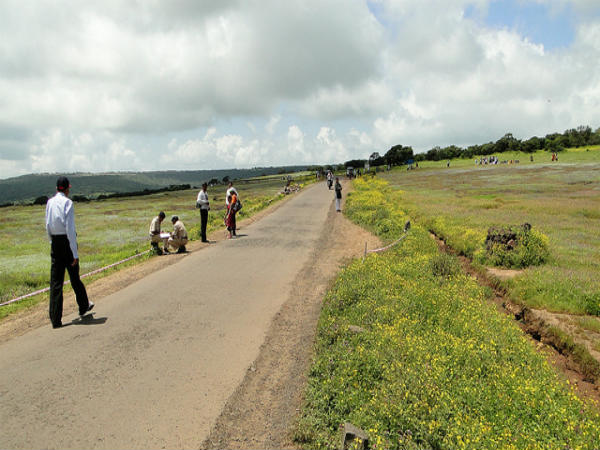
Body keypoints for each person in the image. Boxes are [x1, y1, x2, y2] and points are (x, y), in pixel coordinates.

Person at [45, 176, 94, 329]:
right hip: (66, 242)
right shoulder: (68, 203)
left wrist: (52, 243)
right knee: (74, 277)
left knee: (56, 282)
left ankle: (55, 318)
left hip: (55, 242)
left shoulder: (50, 202)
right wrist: (74, 253)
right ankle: (83, 305)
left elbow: (47, 224)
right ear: (67, 189)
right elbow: (70, 229)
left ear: (56, 188)